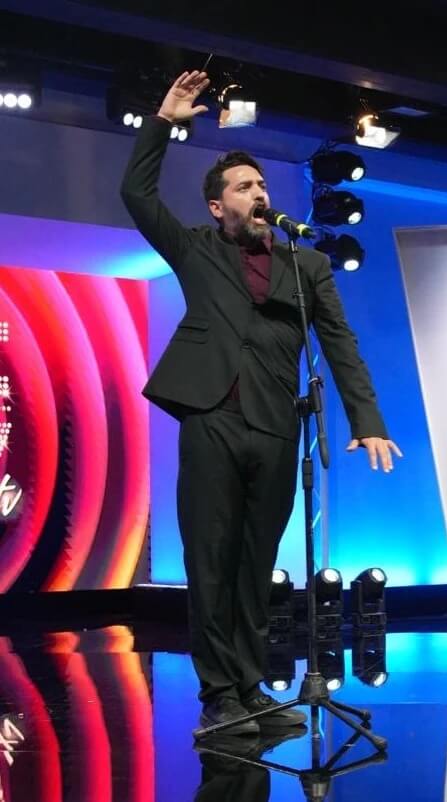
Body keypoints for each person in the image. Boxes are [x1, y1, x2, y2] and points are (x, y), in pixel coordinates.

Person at [120, 71, 401, 735]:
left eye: (261, 185)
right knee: (211, 559)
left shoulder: (307, 267)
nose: (259, 193)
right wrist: (164, 119)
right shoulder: (196, 248)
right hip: (212, 416)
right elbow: (136, 192)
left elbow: (340, 346)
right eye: (244, 187)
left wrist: (367, 420)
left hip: (276, 424)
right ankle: (219, 692)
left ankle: (250, 687)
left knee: (256, 563)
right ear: (218, 207)